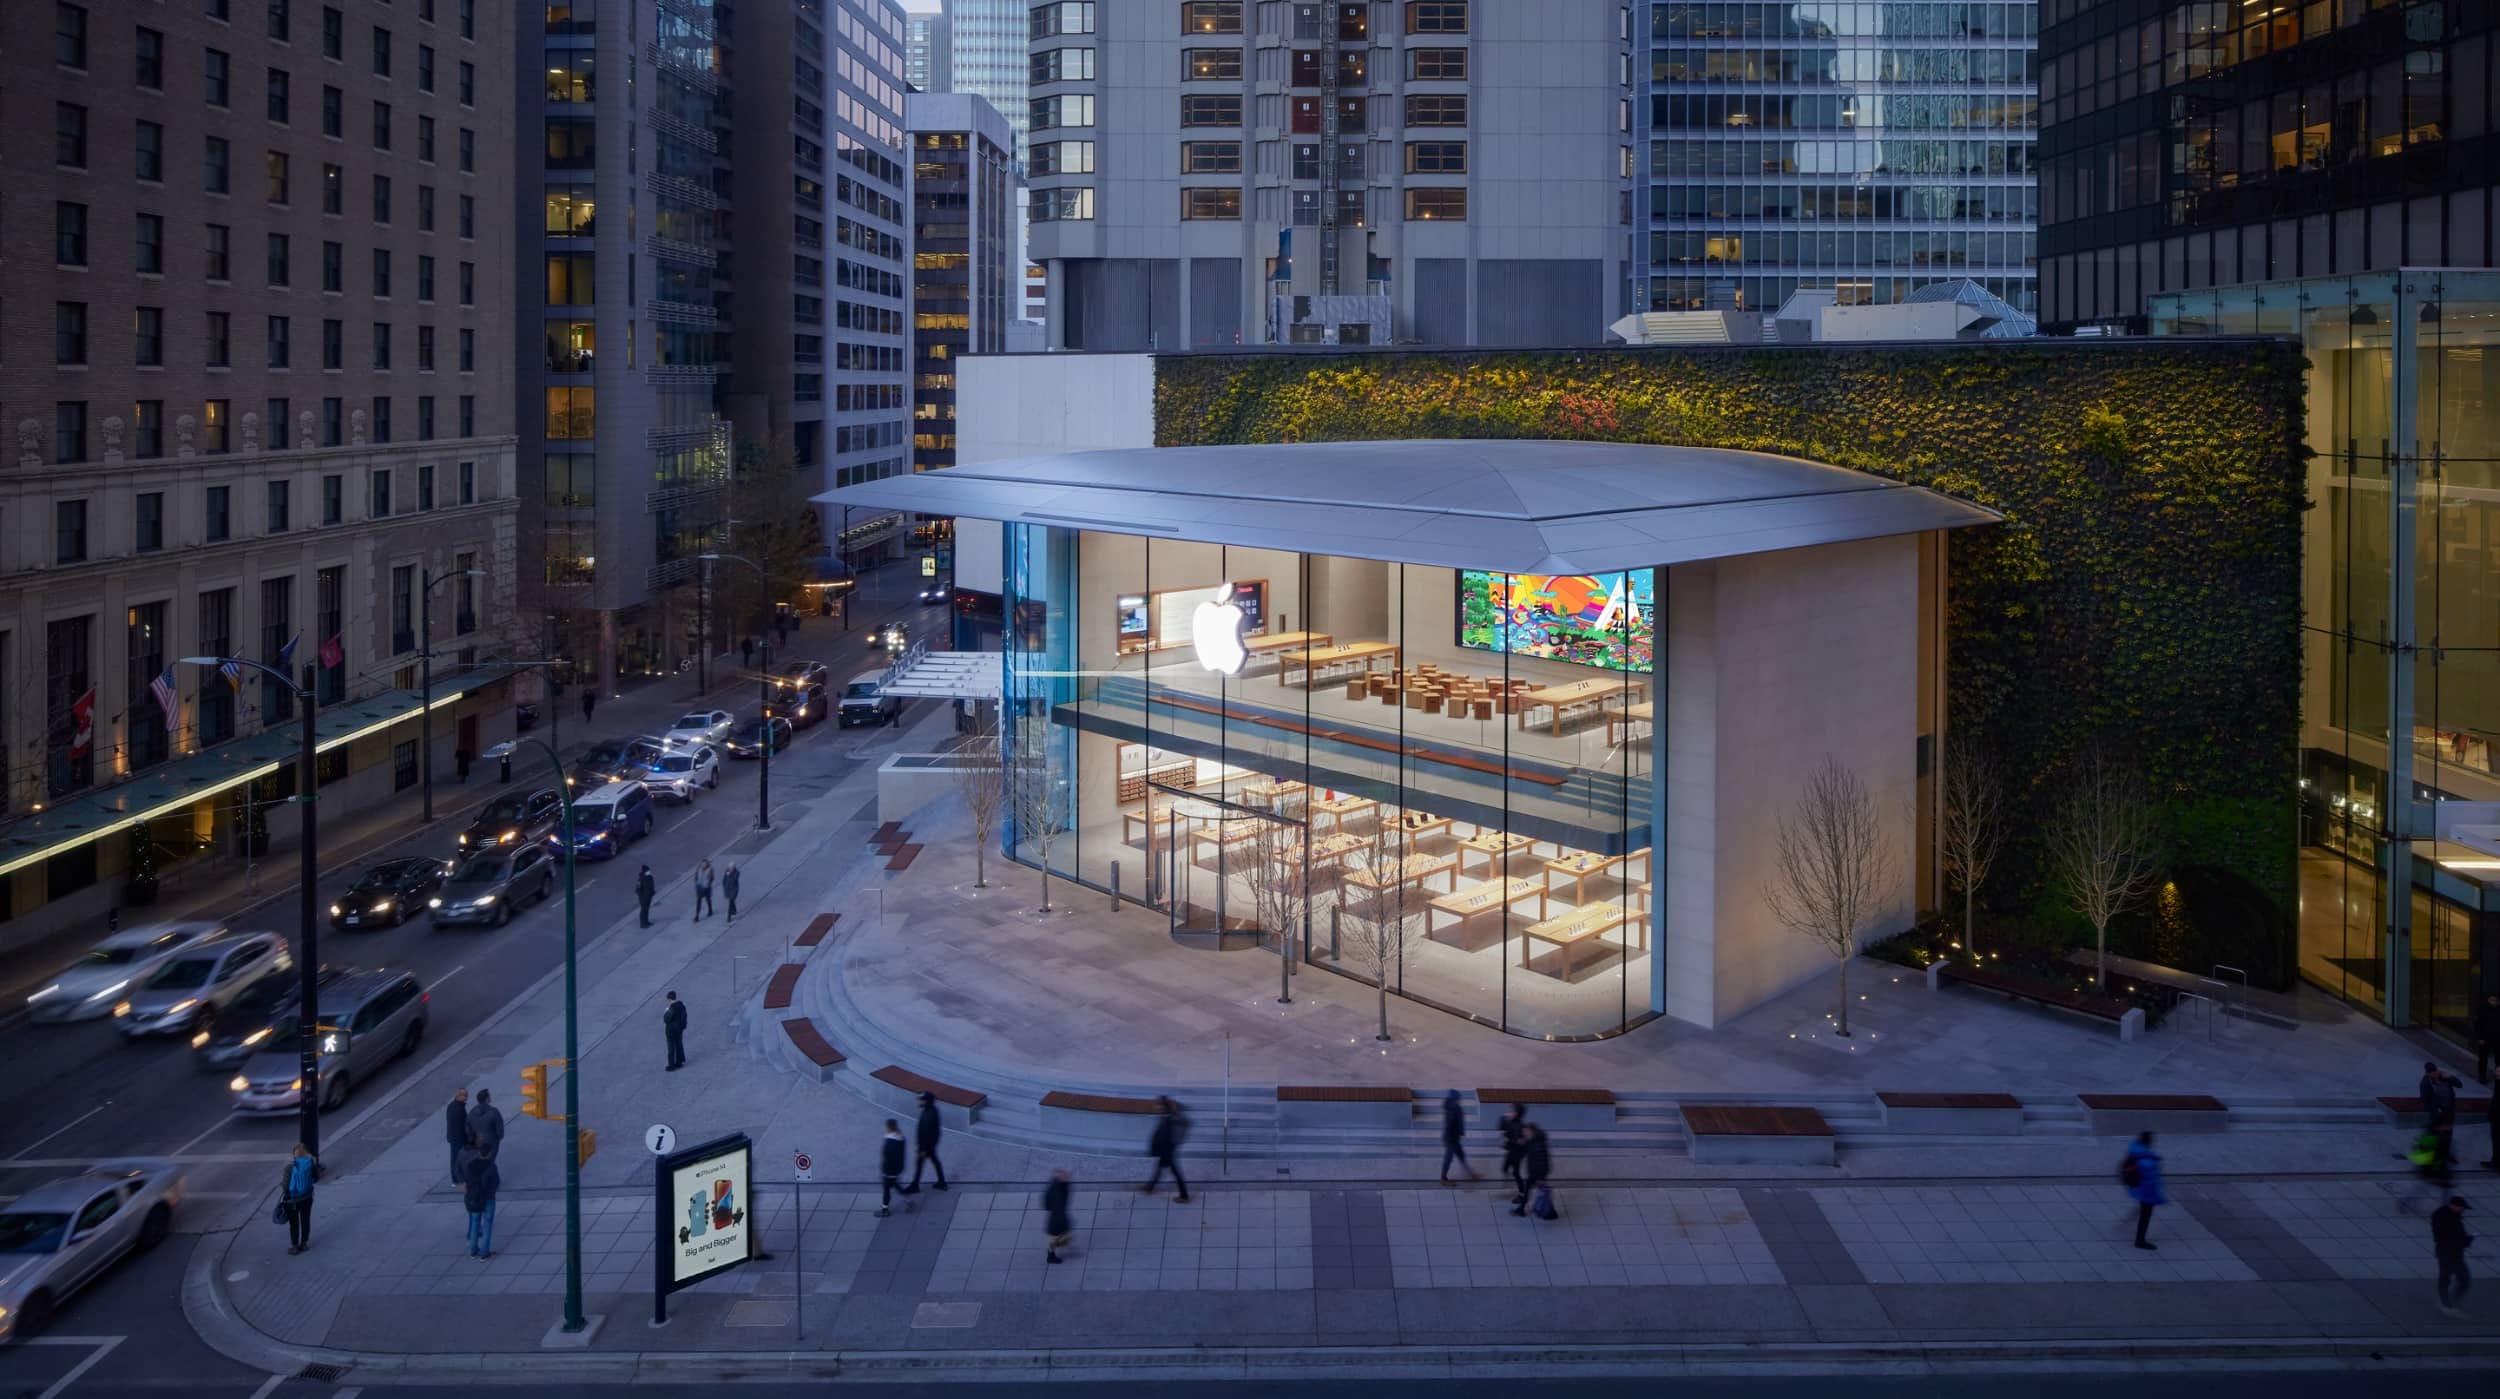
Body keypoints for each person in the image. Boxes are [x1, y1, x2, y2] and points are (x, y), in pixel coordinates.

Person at [1142, 1096, 1190, 1203]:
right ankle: (1150, 1187)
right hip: (1166, 1149)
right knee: (1160, 1169)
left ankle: (1184, 1196)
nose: (1157, 1108)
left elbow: (1166, 1136)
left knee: (1175, 1172)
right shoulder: (1167, 1117)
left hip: (1167, 1150)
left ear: (1164, 1107)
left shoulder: (1170, 1119)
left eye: (1159, 1106)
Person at [2123, 1131, 2165, 1250]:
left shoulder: (2135, 1151)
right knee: (2145, 1216)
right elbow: (2150, 1178)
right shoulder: (2146, 1159)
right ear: (2148, 1142)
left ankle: (2131, 1224)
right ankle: (2140, 1240)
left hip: (2138, 1188)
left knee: (2142, 1212)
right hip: (2146, 1192)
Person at [2434, 1195, 2474, 1315]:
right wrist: (2467, 1240)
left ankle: (2449, 1301)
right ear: (2454, 1206)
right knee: (2450, 1277)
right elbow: (2450, 1237)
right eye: (2462, 1208)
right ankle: (2447, 1302)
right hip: (2448, 1252)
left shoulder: (2449, 1216)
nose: (2463, 1210)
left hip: (2452, 1252)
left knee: (2459, 1278)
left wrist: (2465, 1240)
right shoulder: (2447, 1219)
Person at [904, 1090, 948, 1194]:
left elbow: (927, 1132)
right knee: (934, 1161)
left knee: (920, 1164)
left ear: (926, 1101)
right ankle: (941, 1182)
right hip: (929, 1145)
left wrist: (923, 1148)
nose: (919, 1102)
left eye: (921, 1100)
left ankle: (915, 1185)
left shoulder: (929, 1113)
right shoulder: (931, 1110)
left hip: (925, 1146)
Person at [2423, 1061, 2465, 1168]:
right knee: (2434, 1134)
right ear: (2428, 1073)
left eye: (2435, 1071)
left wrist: (2451, 1077)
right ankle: (2430, 1155)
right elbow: (2425, 1100)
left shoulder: (2445, 1077)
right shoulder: (2425, 1083)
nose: (2435, 1074)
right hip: (2437, 1114)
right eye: (2432, 1073)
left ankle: (2446, 1156)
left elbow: (2460, 1085)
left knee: (2447, 1134)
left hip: (2449, 1111)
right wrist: (2434, 1111)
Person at [464, 1151, 501, 1260]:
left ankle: (473, 1250)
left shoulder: (470, 1166)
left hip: (474, 1199)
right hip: (488, 1198)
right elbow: (496, 1183)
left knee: (475, 1224)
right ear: (489, 1154)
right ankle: (484, 1252)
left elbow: (466, 1182)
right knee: (487, 1225)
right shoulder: (492, 1167)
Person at [281, 1143, 317, 1254]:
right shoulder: (310, 1164)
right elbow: (316, 1177)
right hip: (307, 1197)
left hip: (293, 1200)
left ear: (294, 1155)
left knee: (294, 1223)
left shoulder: (289, 1167)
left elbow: (286, 1186)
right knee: (305, 1220)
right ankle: (304, 1243)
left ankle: (295, 1246)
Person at [1512, 1123, 1551, 1218]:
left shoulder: (1537, 1144)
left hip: (1537, 1173)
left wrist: (1540, 1176)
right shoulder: (1533, 1141)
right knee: (1538, 1191)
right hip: (1535, 1172)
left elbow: (1541, 1161)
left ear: (1531, 1131)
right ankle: (1522, 1209)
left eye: (1525, 1132)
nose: (1524, 1133)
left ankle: (1522, 1209)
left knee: (1539, 1192)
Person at [1439, 1090, 1476, 1185]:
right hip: (1451, 1138)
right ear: (1454, 1098)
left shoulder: (1453, 1108)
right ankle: (1443, 1179)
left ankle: (1471, 1174)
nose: (1459, 1100)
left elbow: (1457, 1122)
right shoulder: (1453, 1108)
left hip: (1453, 1137)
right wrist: (1457, 1133)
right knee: (1449, 1158)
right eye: (1458, 1098)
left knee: (1461, 1155)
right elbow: (1452, 1123)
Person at [1043, 1168, 1074, 1265]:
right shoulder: (1057, 1190)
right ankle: (1051, 1255)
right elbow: (1053, 1204)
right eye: (1065, 1176)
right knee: (1059, 1238)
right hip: (1057, 1219)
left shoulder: (1059, 1185)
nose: (1068, 1177)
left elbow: (1047, 1203)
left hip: (1057, 1217)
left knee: (1058, 1238)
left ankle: (1051, 1253)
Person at [877, 1120, 907, 1217]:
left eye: (887, 1127)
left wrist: (884, 1172)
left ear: (889, 1128)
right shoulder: (900, 1138)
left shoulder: (890, 1142)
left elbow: (887, 1157)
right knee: (895, 1184)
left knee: (886, 1189)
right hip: (897, 1168)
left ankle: (885, 1209)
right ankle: (908, 1200)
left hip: (889, 1170)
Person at [1498, 1103, 1529, 1197]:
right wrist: (1503, 1119)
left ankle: (1521, 1192)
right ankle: (1521, 1191)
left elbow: (1517, 1141)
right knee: (1514, 1172)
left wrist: (1506, 1142)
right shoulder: (1513, 1122)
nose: (1509, 1113)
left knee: (1512, 1171)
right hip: (1514, 1152)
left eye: (1511, 1111)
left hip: (1516, 1153)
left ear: (1516, 1113)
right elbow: (1503, 1128)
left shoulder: (1519, 1126)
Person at [467, 1088, 505, 1163]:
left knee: (481, 1160)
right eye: (489, 1096)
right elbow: (499, 1128)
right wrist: (499, 1137)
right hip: (492, 1141)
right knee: (490, 1161)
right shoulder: (494, 1111)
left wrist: (472, 1139)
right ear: (487, 1099)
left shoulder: (471, 1113)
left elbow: (468, 1129)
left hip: (478, 1141)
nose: (490, 1097)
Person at [444, 1088, 470, 1185]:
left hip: (453, 1137)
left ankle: (456, 1179)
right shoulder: (459, 1109)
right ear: (458, 1095)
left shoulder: (452, 1106)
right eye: (465, 1095)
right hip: (458, 1139)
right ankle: (458, 1179)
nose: (467, 1097)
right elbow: (461, 1126)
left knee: (455, 1159)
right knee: (457, 1160)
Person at [2478, 993, 2500, 1086]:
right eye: (2491, 1000)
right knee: (2483, 1058)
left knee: (2498, 1059)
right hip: (2485, 1039)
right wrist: (2480, 1038)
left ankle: (2498, 1074)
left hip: (2497, 1038)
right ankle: (2482, 1076)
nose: (2493, 1002)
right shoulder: (2483, 1009)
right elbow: (2478, 1024)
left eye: (2495, 1000)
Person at [663, 990, 688, 1071]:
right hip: (679, 1029)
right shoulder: (682, 1005)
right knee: (679, 1045)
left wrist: (666, 1011)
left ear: (669, 999)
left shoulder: (671, 1008)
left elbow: (666, 1019)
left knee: (671, 1048)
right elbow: (684, 1016)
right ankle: (679, 1062)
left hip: (671, 1031)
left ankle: (671, 1065)